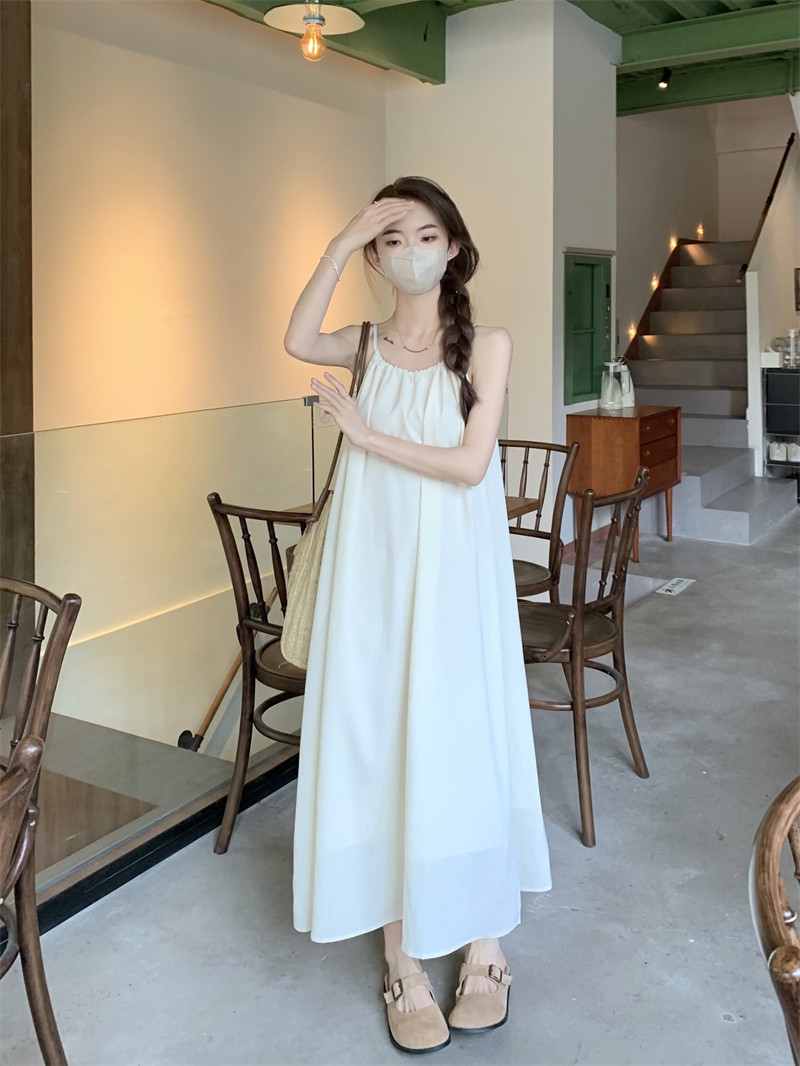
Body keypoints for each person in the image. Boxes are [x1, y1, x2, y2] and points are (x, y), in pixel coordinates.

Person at [283, 176, 551, 1054]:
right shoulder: (362, 345)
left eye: (426, 235)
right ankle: (401, 954)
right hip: (372, 573)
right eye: (392, 239)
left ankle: (483, 941)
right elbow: (295, 338)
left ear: (455, 249)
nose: (410, 252)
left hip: (456, 579)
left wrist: (366, 436)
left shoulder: (488, 346)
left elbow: (471, 466)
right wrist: (340, 240)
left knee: (463, 739)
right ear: (375, 254)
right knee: (381, 744)